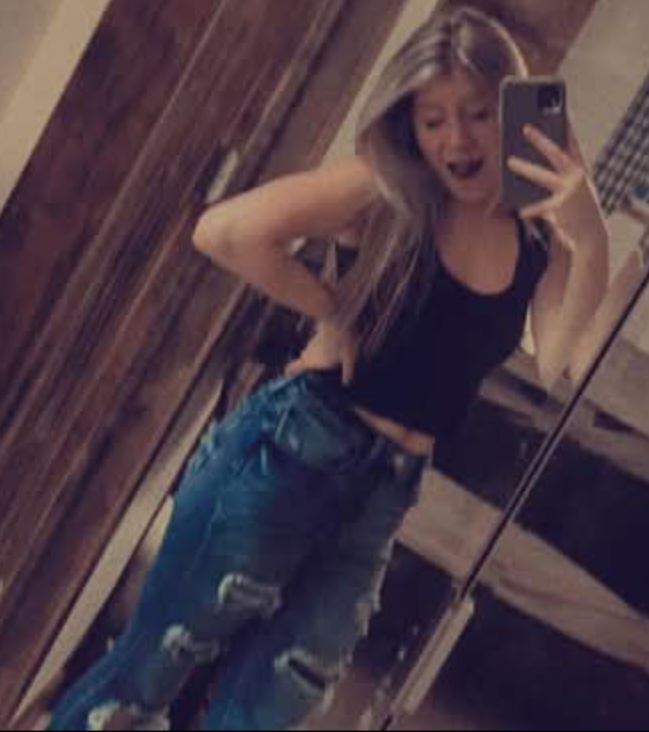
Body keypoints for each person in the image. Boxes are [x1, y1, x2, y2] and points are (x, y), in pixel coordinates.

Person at [49, 5, 609, 731]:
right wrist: (332, 307)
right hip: (293, 449)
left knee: (266, 712)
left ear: (513, 109)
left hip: (386, 493)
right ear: (409, 125)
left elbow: (559, 357)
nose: (456, 139)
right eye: (432, 119)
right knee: (143, 680)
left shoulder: (537, 235)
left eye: (476, 112)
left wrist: (588, 235)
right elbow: (225, 231)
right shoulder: (392, 187)